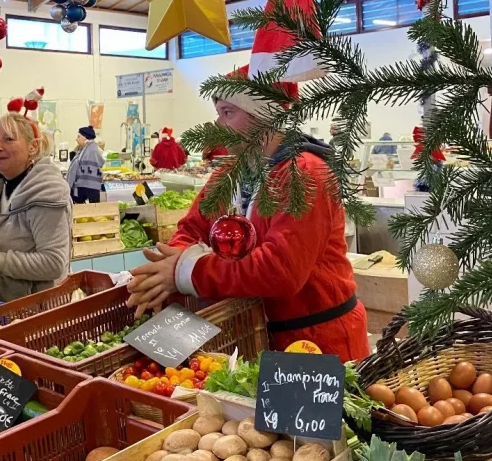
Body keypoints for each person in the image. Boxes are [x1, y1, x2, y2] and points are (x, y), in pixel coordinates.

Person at [127, 67, 369, 363]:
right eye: (218, 113)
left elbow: (279, 271)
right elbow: (192, 228)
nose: (218, 125)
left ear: (264, 117)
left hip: (316, 344)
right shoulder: (232, 172)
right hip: (252, 337)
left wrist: (186, 271)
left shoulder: (305, 173)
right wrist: (166, 268)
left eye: (228, 112)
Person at [0, 113, 72, 301]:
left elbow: (54, 263)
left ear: (33, 147)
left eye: (9, 139)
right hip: (0, 304)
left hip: (36, 312)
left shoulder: (47, 191)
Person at [66, 125, 105, 203]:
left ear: (85, 138)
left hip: (87, 190)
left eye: (78, 137)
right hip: (85, 188)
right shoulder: (85, 149)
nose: (76, 139)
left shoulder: (91, 152)